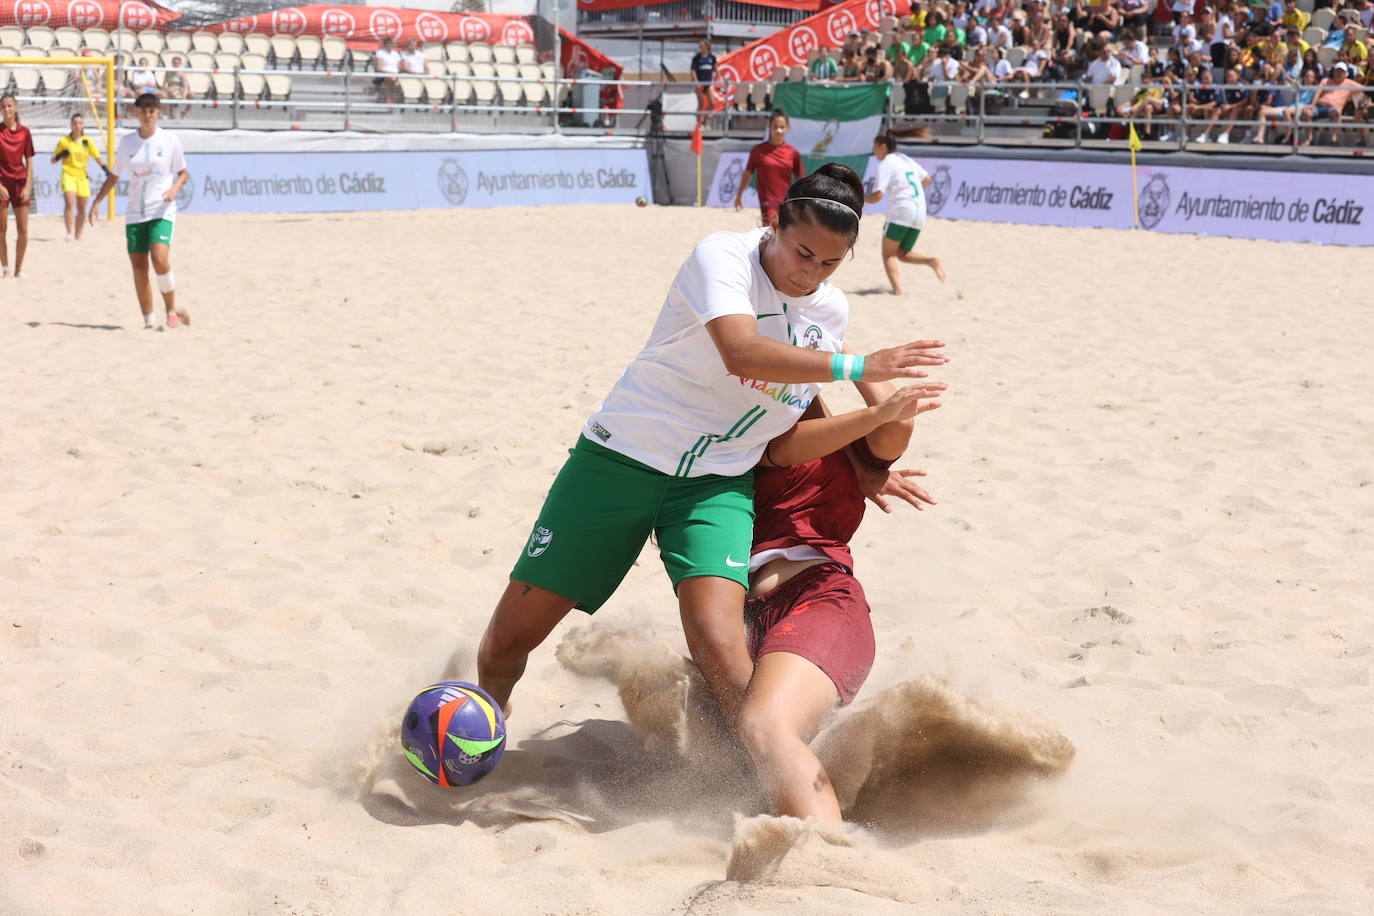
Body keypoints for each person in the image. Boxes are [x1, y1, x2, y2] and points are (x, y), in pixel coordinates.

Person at [475, 163, 950, 730]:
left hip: (716, 484)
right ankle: (482, 729)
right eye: (803, 254)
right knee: (507, 642)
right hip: (621, 459)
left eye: (829, 263)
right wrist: (860, 366)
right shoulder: (722, 256)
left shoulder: (828, 310)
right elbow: (742, 353)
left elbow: (791, 413)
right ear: (775, 224)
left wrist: (860, 463)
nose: (811, 275)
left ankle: (751, 775)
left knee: (724, 652)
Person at [735, 354, 945, 821]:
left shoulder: (830, 427)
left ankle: (828, 861)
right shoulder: (717, 425)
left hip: (820, 599)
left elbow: (898, 424)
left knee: (764, 725)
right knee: (738, 748)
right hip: (745, 618)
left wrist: (851, 361)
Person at [89, 94, 191, 331]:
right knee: (138, 266)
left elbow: (183, 173)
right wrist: (97, 201)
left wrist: (174, 189)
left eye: (152, 112)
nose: (147, 116)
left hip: (161, 208)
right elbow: (114, 176)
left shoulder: (169, 140)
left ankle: (171, 311)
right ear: (136, 113)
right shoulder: (127, 143)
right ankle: (148, 320)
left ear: (158, 113)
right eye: (143, 111)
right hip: (135, 212)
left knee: (159, 257)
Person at [866, 132, 945, 293]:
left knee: (888, 254)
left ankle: (897, 291)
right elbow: (927, 180)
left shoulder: (885, 164)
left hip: (902, 210)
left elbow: (878, 196)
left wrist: (860, 198)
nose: (874, 153)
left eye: (875, 148)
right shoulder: (904, 158)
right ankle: (932, 261)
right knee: (902, 253)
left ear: (883, 146)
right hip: (920, 211)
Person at [733, 109, 805, 225]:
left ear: (787, 129)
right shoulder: (758, 151)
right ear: (769, 128)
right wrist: (739, 196)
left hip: (786, 202)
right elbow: (747, 174)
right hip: (767, 202)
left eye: (782, 127)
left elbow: (801, 178)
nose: (778, 130)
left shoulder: (792, 153)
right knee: (772, 228)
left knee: (781, 235)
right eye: (775, 127)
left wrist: (802, 201)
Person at [52, 113, 109, 242]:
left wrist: (106, 170)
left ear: (83, 125)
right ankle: (69, 233)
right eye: (75, 123)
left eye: (80, 123)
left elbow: (97, 157)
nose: (77, 126)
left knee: (82, 207)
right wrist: (60, 155)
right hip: (68, 174)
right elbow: (53, 160)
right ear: (71, 125)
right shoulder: (64, 141)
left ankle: (78, 236)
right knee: (69, 202)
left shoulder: (87, 141)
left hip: (82, 176)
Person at [0, 94, 34, 279]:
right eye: (4, 106)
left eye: (10, 105)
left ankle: (19, 268)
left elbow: (29, 160)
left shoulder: (24, 132)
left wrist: (28, 186)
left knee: (23, 229)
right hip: (2, 184)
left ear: (16, 108)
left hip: (21, 183)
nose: (7, 109)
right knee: (1, 228)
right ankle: (5, 268)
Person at [691, 40, 718, 119]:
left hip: (708, 83)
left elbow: (715, 67)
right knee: (701, 104)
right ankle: (698, 124)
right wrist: (696, 82)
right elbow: (693, 71)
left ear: (707, 46)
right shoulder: (696, 58)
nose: (700, 48)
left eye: (702, 46)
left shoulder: (712, 57)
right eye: (699, 46)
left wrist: (719, 76)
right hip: (700, 84)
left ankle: (705, 120)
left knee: (712, 103)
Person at [374, 37, 401, 104]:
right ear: (386, 44)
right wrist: (389, 73)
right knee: (389, 80)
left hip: (395, 75)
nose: (393, 45)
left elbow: (399, 67)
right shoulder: (380, 53)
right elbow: (378, 68)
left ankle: (386, 99)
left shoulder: (396, 54)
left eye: (394, 43)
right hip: (384, 75)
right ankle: (389, 99)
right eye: (392, 43)